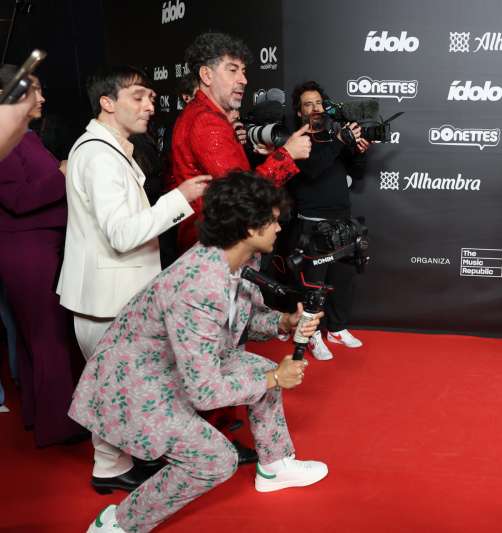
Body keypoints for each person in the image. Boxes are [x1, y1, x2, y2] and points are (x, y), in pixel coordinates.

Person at [78, 172, 328, 533]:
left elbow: (237, 322)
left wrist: (285, 323)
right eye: (272, 220)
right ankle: (117, 523)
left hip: (172, 366)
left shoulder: (234, 260)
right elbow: (204, 392)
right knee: (215, 459)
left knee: (259, 369)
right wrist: (274, 378)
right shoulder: (200, 283)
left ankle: (275, 466)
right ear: (248, 229)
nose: (279, 227)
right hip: (133, 385)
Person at [57, 65, 210, 492]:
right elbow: (123, 235)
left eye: (152, 98)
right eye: (139, 96)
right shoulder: (99, 155)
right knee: (124, 388)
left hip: (110, 296)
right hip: (108, 300)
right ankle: (115, 466)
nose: (150, 105)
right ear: (107, 102)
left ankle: (112, 466)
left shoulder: (107, 149)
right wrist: (180, 198)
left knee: (113, 387)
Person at [0, 66, 84, 444]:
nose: (43, 98)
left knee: (37, 336)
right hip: (26, 248)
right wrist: (63, 173)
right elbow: (16, 199)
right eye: (35, 90)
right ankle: (58, 425)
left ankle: (40, 416)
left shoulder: (24, 137)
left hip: (36, 244)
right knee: (47, 336)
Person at [170, 32, 311, 253]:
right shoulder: (206, 121)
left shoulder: (202, 114)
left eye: (243, 71)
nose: (244, 80)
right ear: (206, 75)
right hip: (215, 248)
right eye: (232, 70)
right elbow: (244, 196)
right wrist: (287, 155)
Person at [286, 80, 371, 361]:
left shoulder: (335, 137)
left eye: (318, 103)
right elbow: (312, 169)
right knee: (314, 287)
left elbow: (356, 174)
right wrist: (338, 142)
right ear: (299, 112)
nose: (314, 108)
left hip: (342, 221)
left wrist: (358, 152)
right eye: (307, 104)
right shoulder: (296, 140)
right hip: (312, 223)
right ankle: (311, 336)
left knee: (342, 280)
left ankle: (337, 328)